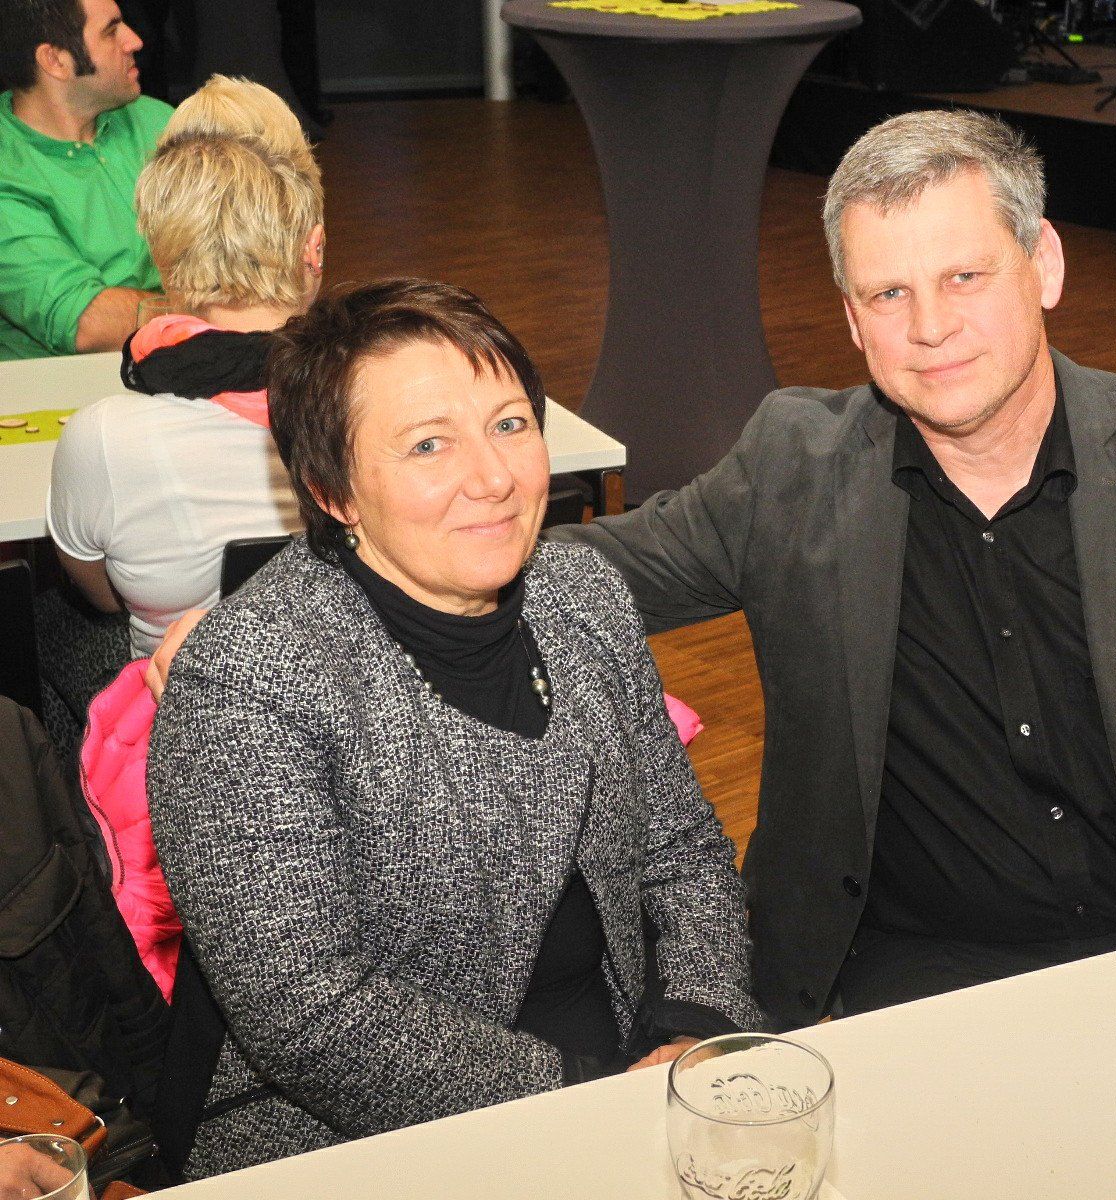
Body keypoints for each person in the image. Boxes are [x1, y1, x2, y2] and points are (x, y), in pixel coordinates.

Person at [548, 109, 1116, 1028]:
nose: (930, 327)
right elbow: (597, 569)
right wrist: (419, 522)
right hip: (892, 978)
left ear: (1044, 265)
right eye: (887, 294)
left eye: (965, 277)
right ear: (853, 320)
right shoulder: (793, 465)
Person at [146, 279, 760, 1178]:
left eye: (510, 425)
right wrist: (584, 1102)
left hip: (634, 1065)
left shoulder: (583, 595)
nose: (494, 477)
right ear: (332, 490)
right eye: (429, 444)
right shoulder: (251, 680)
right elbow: (311, 1012)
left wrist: (693, 1030)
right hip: (350, 1135)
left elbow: (684, 851)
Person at [46, 74, 320, 676]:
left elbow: (103, 597)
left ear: (163, 257)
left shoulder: (104, 438)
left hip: (178, 706)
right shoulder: (381, 403)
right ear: (314, 247)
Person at [0, 0, 171, 360]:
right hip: (58, 385)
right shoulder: (8, 166)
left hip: (184, 365)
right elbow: (86, 322)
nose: (135, 40)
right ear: (55, 61)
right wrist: (225, 312)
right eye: (111, 31)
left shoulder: (159, 122)